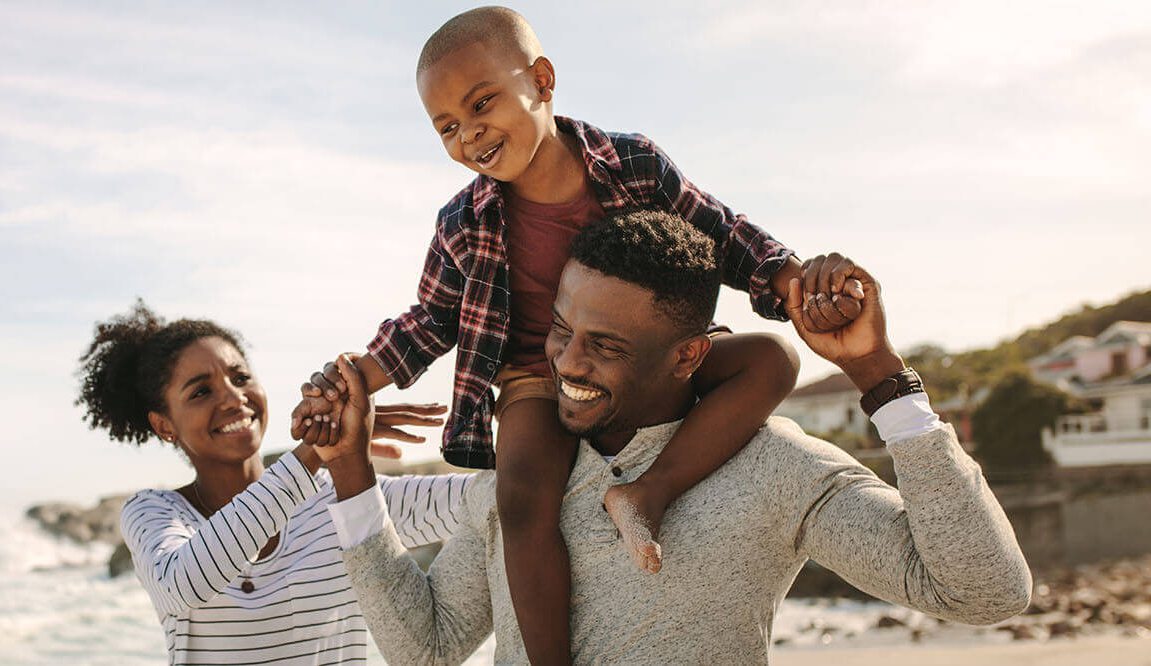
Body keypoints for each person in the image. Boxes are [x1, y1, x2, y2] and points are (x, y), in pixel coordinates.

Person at [291, 7, 865, 662]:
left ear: (541, 79)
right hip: (539, 380)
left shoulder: (633, 164)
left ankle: (647, 491)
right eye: (447, 126)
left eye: (482, 103)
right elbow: (431, 319)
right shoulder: (462, 221)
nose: (469, 133)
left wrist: (797, 283)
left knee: (771, 359)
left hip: (646, 363)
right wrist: (353, 378)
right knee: (521, 497)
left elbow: (721, 232)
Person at [317, 208, 1032, 664]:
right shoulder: (521, 480)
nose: (567, 363)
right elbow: (429, 651)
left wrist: (877, 374)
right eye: (561, 330)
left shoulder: (773, 466)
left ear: (689, 354)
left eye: (605, 346)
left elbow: (984, 591)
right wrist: (351, 473)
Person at [73, 302, 472, 664]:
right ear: (164, 425)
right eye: (200, 392)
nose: (234, 398)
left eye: (241, 376)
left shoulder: (345, 497)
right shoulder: (154, 511)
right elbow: (181, 585)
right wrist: (319, 447)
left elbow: (488, 502)